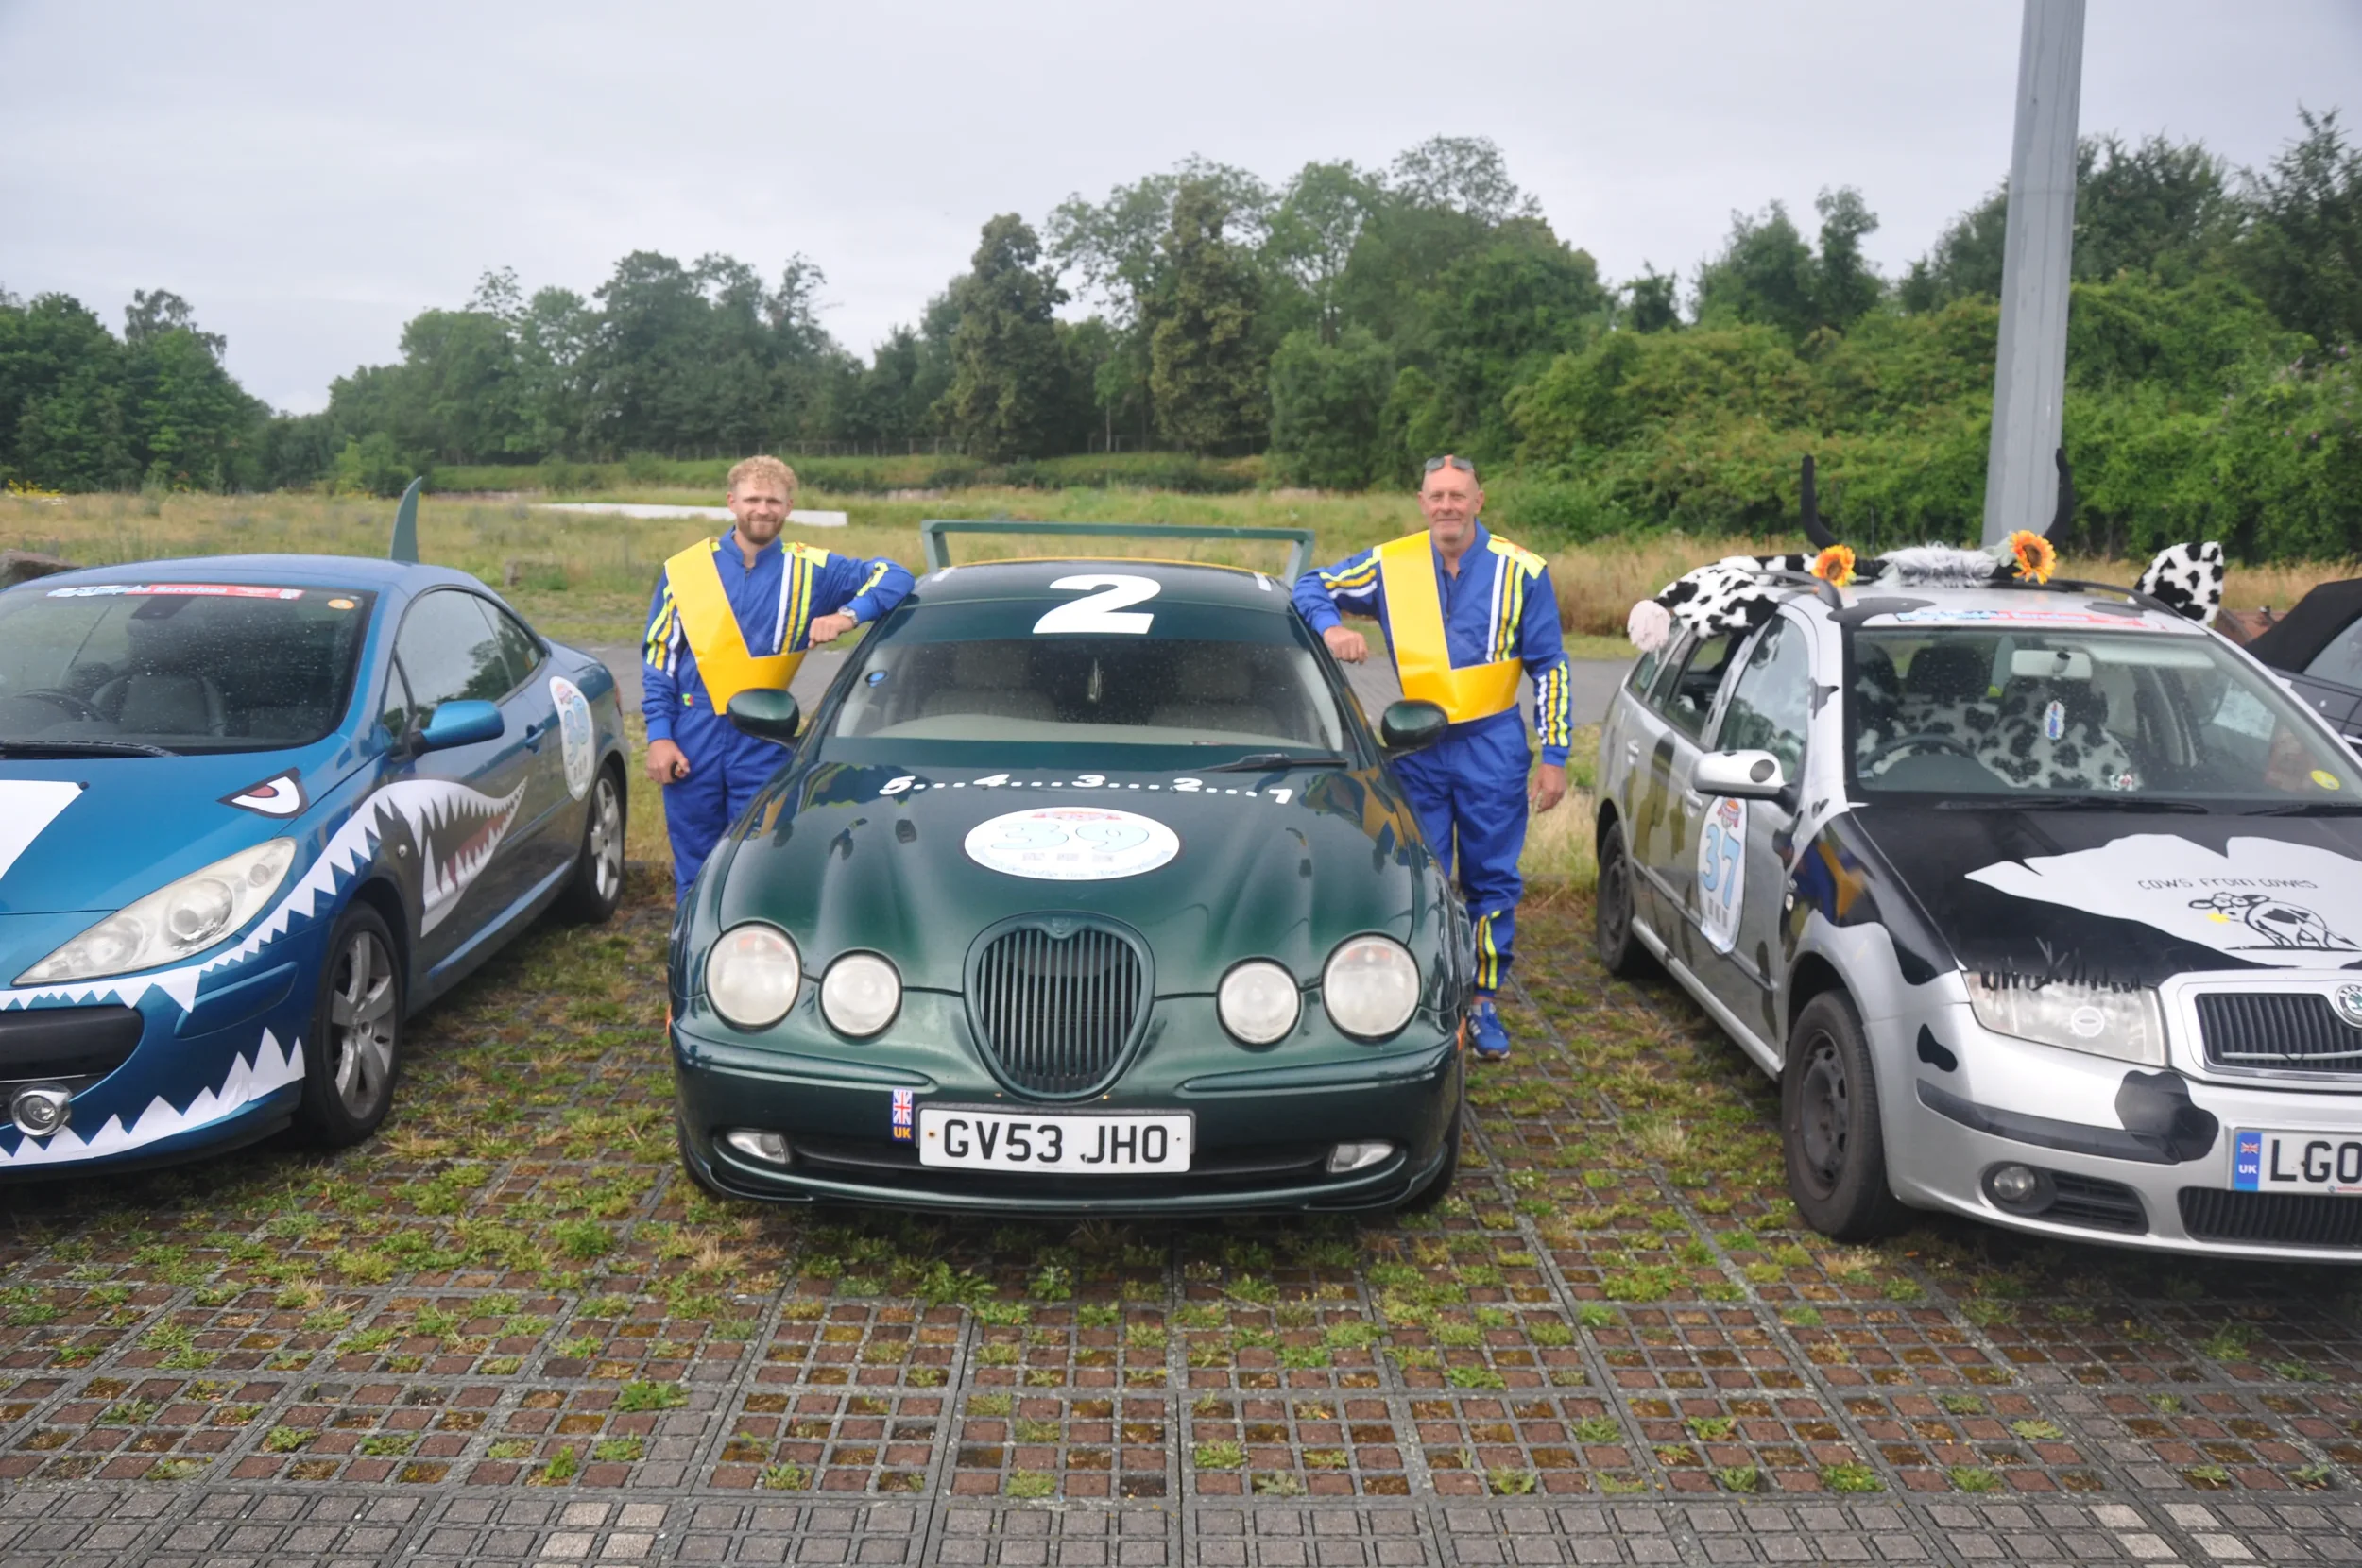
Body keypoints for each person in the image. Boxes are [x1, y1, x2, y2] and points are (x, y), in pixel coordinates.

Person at [1292, 454, 1572, 1062]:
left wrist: (1555, 754)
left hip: (1492, 748)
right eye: (1436, 495)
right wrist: (1331, 626)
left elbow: (1550, 666)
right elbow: (1309, 585)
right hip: (1417, 747)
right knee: (1416, 879)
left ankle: (1483, 1002)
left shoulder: (1523, 572)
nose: (1447, 505)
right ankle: (1417, 1000)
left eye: (1458, 495)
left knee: (1490, 880)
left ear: (1479, 501)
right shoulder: (1391, 564)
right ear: (1421, 502)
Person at [642, 455, 913, 897]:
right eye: (752, 499)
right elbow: (660, 659)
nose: (762, 509)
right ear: (732, 502)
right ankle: (692, 949)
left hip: (764, 737)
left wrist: (848, 615)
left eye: (773, 500)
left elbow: (894, 575)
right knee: (695, 859)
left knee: (760, 855)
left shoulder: (811, 568)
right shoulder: (685, 571)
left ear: (789, 507)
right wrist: (659, 736)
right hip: (691, 733)